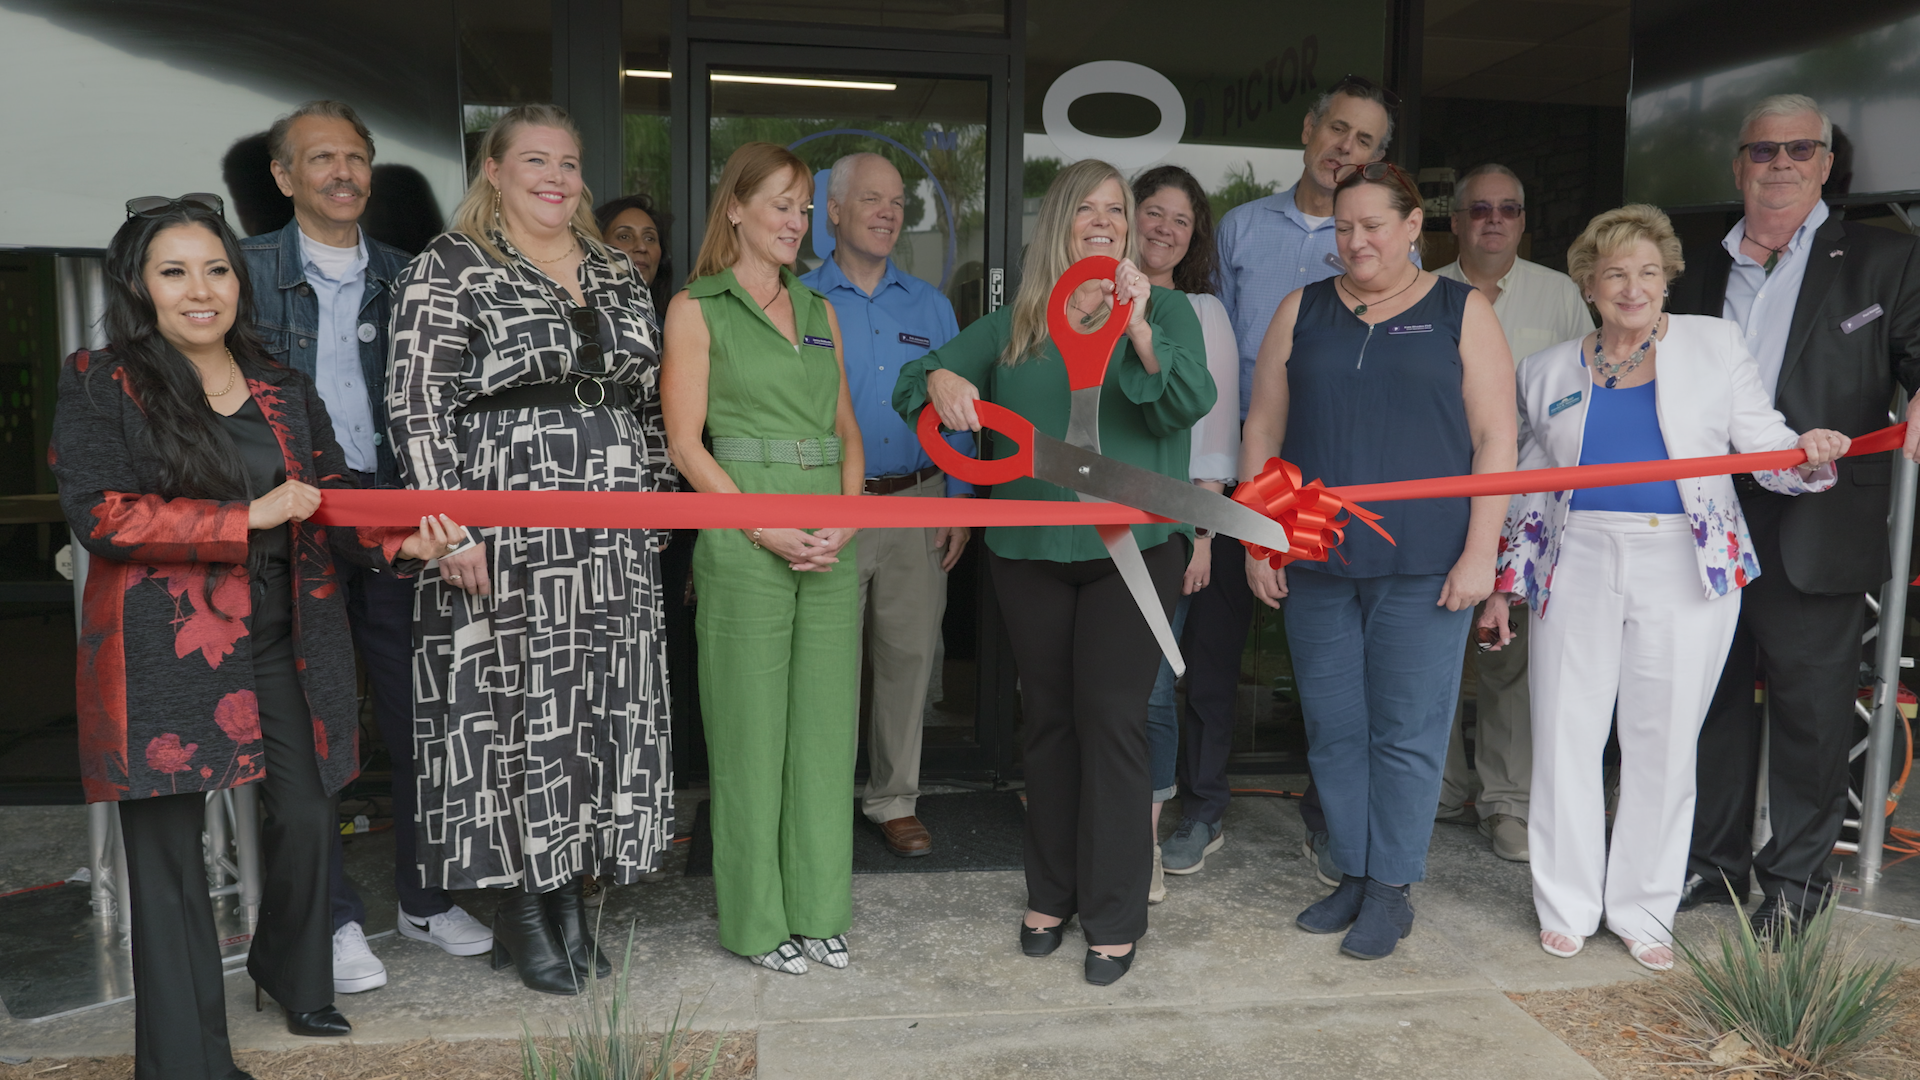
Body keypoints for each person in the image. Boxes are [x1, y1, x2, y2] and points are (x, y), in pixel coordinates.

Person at [51, 194, 460, 1078]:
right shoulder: (101, 379)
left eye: (216, 269)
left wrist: (400, 540)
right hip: (161, 653)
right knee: (168, 869)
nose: (201, 289)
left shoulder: (277, 382)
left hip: (285, 636)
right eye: (175, 271)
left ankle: (291, 971)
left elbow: (335, 494)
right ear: (138, 284)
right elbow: (102, 515)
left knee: (311, 812)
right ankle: (187, 1061)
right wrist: (246, 516)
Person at [1484, 203, 1850, 971]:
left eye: (1649, 272)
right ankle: (1567, 903)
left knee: (1662, 741)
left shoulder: (1715, 345)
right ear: (1588, 282)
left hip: (1685, 563)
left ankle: (1644, 910)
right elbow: (1526, 490)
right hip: (1577, 558)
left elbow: (1766, 446)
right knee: (1565, 734)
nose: (1634, 286)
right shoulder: (1546, 369)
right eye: (1616, 272)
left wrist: (1809, 454)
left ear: (1668, 279)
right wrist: (1504, 586)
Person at [896, 158, 1215, 986]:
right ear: (1061, 223)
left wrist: (1139, 327)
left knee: (1111, 719)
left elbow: (1186, 403)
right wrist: (938, 378)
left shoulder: (1168, 306)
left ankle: (1115, 914)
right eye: (1089, 209)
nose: (1106, 220)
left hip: (1134, 551)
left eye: (1119, 208)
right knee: (1048, 723)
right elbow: (912, 385)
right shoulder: (1015, 323)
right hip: (1030, 552)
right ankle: (1052, 892)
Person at [388, 103, 676, 995]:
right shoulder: (450, 266)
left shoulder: (615, 272)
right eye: (536, 161)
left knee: (593, 709)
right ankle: (522, 904)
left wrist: (656, 501)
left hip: (613, 529)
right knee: (513, 715)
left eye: (570, 161)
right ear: (494, 171)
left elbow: (649, 403)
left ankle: (575, 897)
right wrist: (449, 526)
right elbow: (416, 402)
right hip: (501, 526)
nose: (557, 176)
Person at [239, 98, 492, 998]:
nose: (342, 173)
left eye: (355, 157)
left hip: (396, 527)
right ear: (283, 177)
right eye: (319, 159)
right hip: (291, 529)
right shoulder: (242, 271)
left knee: (424, 713)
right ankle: (337, 919)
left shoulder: (412, 273)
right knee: (313, 728)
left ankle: (425, 898)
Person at [1242, 160, 1516, 962]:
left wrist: (1480, 555)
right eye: (1343, 226)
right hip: (1318, 551)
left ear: (1410, 228)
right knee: (1333, 729)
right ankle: (1354, 873)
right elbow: (1262, 431)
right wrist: (1264, 534)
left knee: (1408, 731)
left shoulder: (1461, 311)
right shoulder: (1303, 309)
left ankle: (1392, 888)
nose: (1356, 240)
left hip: (1426, 557)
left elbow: (1497, 440)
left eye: (1372, 225)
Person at [1669, 94, 1920, 941]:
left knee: (1813, 716)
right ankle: (1713, 863)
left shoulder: (1886, 261)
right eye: (1761, 151)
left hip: (1820, 522)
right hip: (1706, 521)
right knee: (1712, 703)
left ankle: (1798, 888)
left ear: (1824, 164)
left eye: (1798, 149)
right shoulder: (1694, 271)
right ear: (1739, 166)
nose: (1778, 164)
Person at [661, 142, 864, 976]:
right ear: (735, 209)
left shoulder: (821, 310)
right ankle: (755, 921)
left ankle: (820, 910)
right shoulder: (694, 307)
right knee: (748, 738)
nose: (795, 221)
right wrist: (756, 525)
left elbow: (848, 431)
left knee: (825, 737)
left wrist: (848, 517)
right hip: (744, 539)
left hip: (828, 540)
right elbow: (684, 444)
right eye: (780, 204)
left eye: (805, 207)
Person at [1210, 75, 1400, 882]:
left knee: (1331, 661)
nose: (1345, 150)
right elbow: (1217, 345)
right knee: (1221, 645)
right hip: (1249, 459)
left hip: (1331, 470)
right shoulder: (1242, 228)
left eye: (1364, 142)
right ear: (1308, 128)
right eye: (1337, 131)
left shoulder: (1386, 238)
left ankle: (1330, 822)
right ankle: (1202, 806)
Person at [801, 152, 970, 859]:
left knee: (908, 657)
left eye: (897, 201)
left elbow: (962, 410)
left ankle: (894, 799)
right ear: (832, 211)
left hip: (917, 499)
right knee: (824, 662)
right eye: (870, 199)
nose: (887, 212)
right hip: (830, 502)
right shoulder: (800, 296)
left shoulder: (929, 304)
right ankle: (815, 801)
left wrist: (960, 504)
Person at [1431, 163, 1595, 863]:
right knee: (1432, 651)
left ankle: (1506, 803)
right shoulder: (1424, 289)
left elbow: (1591, 387)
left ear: (1523, 220)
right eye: (1478, 210)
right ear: (1456, 220)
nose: (1492, 220)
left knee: (1509, 660)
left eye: (1507, 209)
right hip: (1437, 496)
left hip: (1527, 503)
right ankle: (1437, 789)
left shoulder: (1559, 294)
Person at [1126, 165, 1239, 898]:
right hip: (1091, 521)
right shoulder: (1091, 297)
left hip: (1170, 530)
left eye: (1182, 220)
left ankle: (1143, 844)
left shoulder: (1202, 313)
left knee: (1151, 687)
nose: (1165, 228)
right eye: (1153, 212)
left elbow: (1216, 432)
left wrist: (1202, 538)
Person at [595, 192, 673, 320]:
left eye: (649, 238)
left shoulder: (672, 328)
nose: (641, 247)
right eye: (624, 236)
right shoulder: (577, 319)